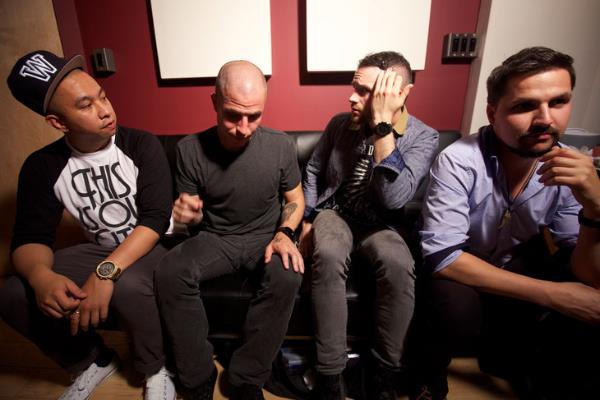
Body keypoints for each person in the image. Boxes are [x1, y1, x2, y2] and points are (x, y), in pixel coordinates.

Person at [416, 46, 600, 400]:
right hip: (465, 263)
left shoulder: (572, 166)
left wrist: (595, 208)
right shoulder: (458, 159)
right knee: (453, 310)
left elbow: (586, 272)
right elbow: (443, 257)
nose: (545, 119)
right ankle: (428, 376)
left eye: (558, 102)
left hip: (517, 259)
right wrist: (556, 296)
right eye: (525, 106)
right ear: (493, 113)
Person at [1, 51, 175, 399]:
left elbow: (155, 220)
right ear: (58, 122)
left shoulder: (141, 144)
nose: (105, 110)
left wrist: (104, 274)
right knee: (12, 293)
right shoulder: (42, 166)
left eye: (103, 96)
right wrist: (41, 277)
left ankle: (155, 367)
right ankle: (90, 360)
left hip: (150, 245)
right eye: (85, 105)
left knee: (127, 287)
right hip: (99, 249)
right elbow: (30, 238)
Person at [155, 60, 304, 400]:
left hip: (265, 236)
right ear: (214, 102)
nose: (244, 128)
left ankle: (245, 378)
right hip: (216, 238)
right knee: (170, 272)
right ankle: (197, 376)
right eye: (233, 115)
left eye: (254, 116)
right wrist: (187, 216)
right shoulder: (189, 150)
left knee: (288, 274)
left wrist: (285, 233)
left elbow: (295, 198)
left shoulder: (281, 145)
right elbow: (190, 217)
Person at [299, 51, 439, 399]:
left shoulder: (424, 136)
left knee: (399, 264)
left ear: (400, 94)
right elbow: (313, 171)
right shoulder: (339, 125)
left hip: (382, 224)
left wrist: (382, 128)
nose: (352, 97)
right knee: (328, 253)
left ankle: (384, 374)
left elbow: (393, 198)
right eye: (354, 87)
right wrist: (307, 219)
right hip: (336, 213)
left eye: (366, 91)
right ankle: (330, 375)